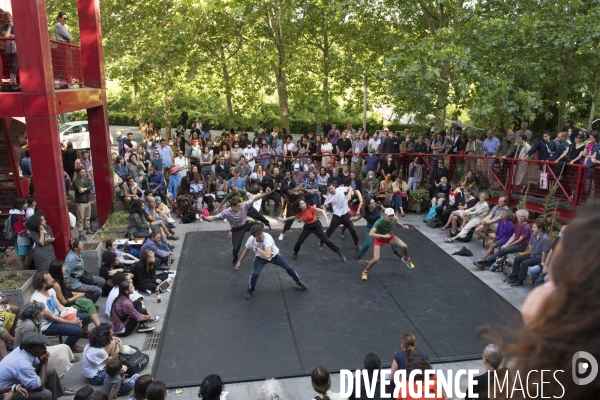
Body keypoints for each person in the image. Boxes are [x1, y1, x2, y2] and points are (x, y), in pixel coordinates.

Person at [13, 302, 77, 392]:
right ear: (34, 314)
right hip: (29, 355)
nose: (44, 312)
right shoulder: (28, 326)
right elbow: (29, 347)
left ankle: (57, 385)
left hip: (35, 350)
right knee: (61, 357)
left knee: (65, 347)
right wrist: (43, 355)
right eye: (42, 311)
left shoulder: (35, 321)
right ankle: (58, 388)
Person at [234, 225, 307, 300]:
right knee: (255, 274)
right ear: (254, 236)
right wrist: (239, 261)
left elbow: (267, 255)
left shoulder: (267, 237)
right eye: (259, 237)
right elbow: (246, 250)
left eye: (262, 235)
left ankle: (299, 281)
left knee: (289, 268)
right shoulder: (251, 240)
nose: (261, 238)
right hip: (260, 258)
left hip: (275, 256)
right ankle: (249, 291)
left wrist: (257, 248)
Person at [201, 189, 272, 266]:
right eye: (238, 206)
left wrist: (265, 193)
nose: (240, 207)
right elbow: (214, 217)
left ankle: (257, 240)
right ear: (232, 206)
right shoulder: (226, 212)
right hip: (236, 229)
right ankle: (234, 260)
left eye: (240, 205)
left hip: (246, 224)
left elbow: (255, 198)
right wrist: (205, 218)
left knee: (260, 226)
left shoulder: (243, 205)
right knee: (235, 249)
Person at [29, 271, 88, 352]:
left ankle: (72, 343)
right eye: (50, 279)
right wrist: (71, 322)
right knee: (77, 331)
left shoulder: (50, 291)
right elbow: (53, 318)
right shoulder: (38, 299)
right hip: (47, 325)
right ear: (44, 284)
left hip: (57, 316)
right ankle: (65, 351)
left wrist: (71, 315)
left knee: (84, 317)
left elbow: (60, 307)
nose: (53, 279)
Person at [0, 331, 65, 400]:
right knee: (45, 394)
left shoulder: (25, 350)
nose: (44, 348)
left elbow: (37, 367)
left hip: (17, 383)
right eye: (40, 346)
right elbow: (39, 387)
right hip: (6, 392)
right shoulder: (22, 363)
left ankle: (54, 398)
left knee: (51, 371)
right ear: (31, 349)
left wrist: (42, 358)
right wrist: (43, 363)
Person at [279, 199, 346, 262]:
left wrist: (326, 218)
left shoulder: (311, 208)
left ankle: (339, 253)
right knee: (299, 242)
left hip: (316, 227)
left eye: (304, 203)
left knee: (326, 240)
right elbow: (294, 217)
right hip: (307, 228)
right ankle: (295, 252)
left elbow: (322, 210)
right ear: (299, 206)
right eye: (302, 204)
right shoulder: (300, 213)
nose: (304, 204)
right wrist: (285, 219)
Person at [361, 208, 413, 281]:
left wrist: (403, 226)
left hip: (389, 236)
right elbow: (371, 234)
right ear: (385, 215)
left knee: (404, 246)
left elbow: (397, 222)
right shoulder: (378, 222)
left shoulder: (393, 219)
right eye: (389, 216)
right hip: (379, 238)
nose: (391, 217)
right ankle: (365, 271)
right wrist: (383, 236)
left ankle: (406, 258)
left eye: (392, 215)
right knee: (376, 259)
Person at [48, 260, 100, 328]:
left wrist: (77, 294)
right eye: (63, 266)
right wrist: (78, 296)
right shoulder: (56, 285)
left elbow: (66, 291)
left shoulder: (60, 279)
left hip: (70, 301)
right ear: (58, 270)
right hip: (64, 307)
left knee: (88, 302)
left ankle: (92, 327)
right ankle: (98, 327)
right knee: (87, 305)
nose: (65, 268)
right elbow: (63, 302)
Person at [318, 184, 360, 251]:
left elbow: (350, 187)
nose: (331, 190)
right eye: (329, 190)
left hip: (346, 214)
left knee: (353, 230)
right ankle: (321, 242)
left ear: (334, 187)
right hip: (337, 216)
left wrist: (349, 194)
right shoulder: (329, 197)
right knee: (329, 231)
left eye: (331, 188)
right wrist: (325, 215)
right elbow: (324, 206)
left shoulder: (340, 189)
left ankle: (357, 244)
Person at [64, 239, 106, 304]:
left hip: (82, 276)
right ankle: (88, 304)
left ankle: (88, 297)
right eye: (80, 245)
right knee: (98, 291)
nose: (82, 245)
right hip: (75, 283)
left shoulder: (78, 253)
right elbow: (65, 276)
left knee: (102, 281)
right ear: (75, 248)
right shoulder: (70, 259)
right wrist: (67, 290)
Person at [508, 221, 549, 287]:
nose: (533, 228)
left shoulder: (545, 238)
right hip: (532, 254)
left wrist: (542, 263)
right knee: (517, 258)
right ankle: (514, 276)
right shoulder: (533, 234)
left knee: (525, 263)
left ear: (540, 229)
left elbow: (544, 251)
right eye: (533, 227)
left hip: (539, 257)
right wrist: (529, 254)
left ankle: (520, 280)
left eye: (534, 227)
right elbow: (530, 244)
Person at [8, 198, 33, 270]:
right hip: (20, 240)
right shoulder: (15, 216)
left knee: (31, 255)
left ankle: (24, 269)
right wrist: (29, 234)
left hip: (26, 238)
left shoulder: (21, 213)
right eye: (25, 203)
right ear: (20, 205)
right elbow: (20, 230)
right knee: (22, 258)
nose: (26, 205)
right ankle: (24, 271)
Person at [73, 167, 96, 240]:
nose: (83, 173)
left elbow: (91, 186)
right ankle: (80, 233)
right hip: (80, 202)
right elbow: (80, 190)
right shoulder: (75, 181)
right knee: (80, 218)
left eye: (83, 172)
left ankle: (88, 229)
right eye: (81, 172)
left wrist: (85, 189)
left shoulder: (86, 179)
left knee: (87, 217)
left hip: (87, 200)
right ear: (77, 173)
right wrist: (86, 189)